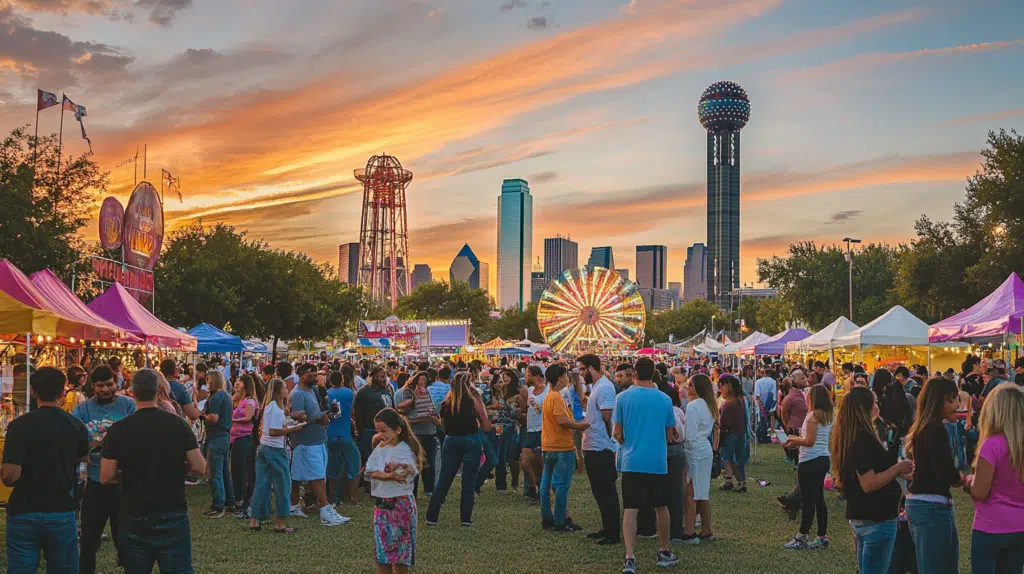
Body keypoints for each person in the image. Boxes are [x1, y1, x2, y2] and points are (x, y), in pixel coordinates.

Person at [100, 369, 206, 573]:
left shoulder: (118, 430)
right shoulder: (178, 425)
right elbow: (199, 467)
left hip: (133, 514)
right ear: (159, 390)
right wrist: (174, 471)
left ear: (132, 392)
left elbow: (106, 476)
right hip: (171, 512)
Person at [2, 367, 88, 573]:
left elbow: (9, 476)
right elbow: (83, 464)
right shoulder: (76, 425)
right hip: (62, 510)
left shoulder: (19, 426)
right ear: (62, 392)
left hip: (24, 510)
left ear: (33, 391)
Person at [831, 386, 913, 572]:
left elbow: (872, 469)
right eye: (875, 402)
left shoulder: (850, 437)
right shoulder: (862, 439)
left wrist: (895, 469)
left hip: (863, 515)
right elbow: (869, 483)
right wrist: (898, 468)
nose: (878, 406)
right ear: (865, 408)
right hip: (876, 517)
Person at [614, 357, 679, 573]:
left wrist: (629, 440)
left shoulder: (623, 398)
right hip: (656, 460)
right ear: (653, 374)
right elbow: (670, 435)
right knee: (661, 507)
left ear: (634, 374)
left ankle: (630, 556)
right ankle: (663, 550)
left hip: (632, 460)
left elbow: (617, 433)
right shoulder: (664, 399)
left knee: (630, 510)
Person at [73, 364, 137, 574]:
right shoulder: (83, 409)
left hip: (123, 481)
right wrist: (87, 449)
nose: (106, 389)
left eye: (109, 384)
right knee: (90, 538)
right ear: (92, 386)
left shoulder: (128, 405)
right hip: (95, 482)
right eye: (100, 386)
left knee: (126, 538)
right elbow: (74, 440)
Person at [905, 377, 964, 573]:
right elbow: (945, 470)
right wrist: (962, 479)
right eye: (953, 399)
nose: (958, 404)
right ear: (940, 400)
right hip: (931, 506)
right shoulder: (934, 428)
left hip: (925, 504)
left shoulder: (925, 427)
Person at [963, 385, 1024, 573]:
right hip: (1020, 527)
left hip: (990, 527)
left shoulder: (992, 445)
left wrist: (967, 481)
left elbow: (980, 492)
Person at [426, 372, 492, 526]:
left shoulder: (446, 402)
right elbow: (485, 424)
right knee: (468, 481)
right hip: (470, 439)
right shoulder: (472, 400)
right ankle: (465, 519)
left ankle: (432, 517)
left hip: (451, 440)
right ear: (469, 384)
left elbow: (443, 425)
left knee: (444, 480)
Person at [289, 363, 349, 526]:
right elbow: (297, 418)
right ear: (301, 376)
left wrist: (327, 414)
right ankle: (325, 509)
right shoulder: (297, 394)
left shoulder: (314, 391)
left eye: (316, 375)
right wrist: (315, 419)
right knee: (316, 476)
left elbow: (318, 412)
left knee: (297, 475)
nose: (315, 378)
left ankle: (293, 506)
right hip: (306, 441)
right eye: (311, 375)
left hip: (318, 438)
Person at [366, 408, 423, 574]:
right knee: (382, 554)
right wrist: (388, 475)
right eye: (378, 431)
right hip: (382, 507)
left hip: (401, 506)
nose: (380, 434)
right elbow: (370, 472)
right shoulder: (379, 449)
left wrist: (402, 470)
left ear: (397, 430)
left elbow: (410, 470)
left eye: (384, 431)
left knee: (400, 555)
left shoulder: (405, 450)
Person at [249, 379, 305, 533]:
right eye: (285, 388)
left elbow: (271, 428)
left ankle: (254, 519)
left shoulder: (270, 406)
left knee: (261, 484)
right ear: (279, 392)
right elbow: (274, 431)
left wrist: (288, 426)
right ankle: (279, 522)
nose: (287, 390)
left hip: (264, 448)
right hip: (275, 449)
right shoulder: (276, 409)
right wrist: (294, 429)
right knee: (282, 485)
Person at [539, 363, 590, 532]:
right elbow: (562, 421)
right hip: (561, 446)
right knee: (561, 484)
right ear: (560, 377)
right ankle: (560, 519)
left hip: (549, 445)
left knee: (547, 482)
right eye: (565, 375)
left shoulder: (549, 396)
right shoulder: (556, 397)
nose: (567, 378)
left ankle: (547, 516)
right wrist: (579, 426)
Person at [783, 384, 834, 550]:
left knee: (808, 499)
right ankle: (821, 535)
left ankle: (802, 536)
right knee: (818, 498)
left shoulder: (812, 415)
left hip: (810, 460)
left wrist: (793, 439)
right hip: (822, 458)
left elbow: (809, 441)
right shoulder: (827, 415)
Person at [579, 354, 621, 545]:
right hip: (594, 444)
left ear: (591, 368)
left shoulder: (604, 387)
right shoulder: (597, 386)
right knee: (599, 490)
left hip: (601, 446)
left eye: (582, 369)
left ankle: (612, 532)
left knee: (606, 490)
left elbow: (607, 415)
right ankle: (607, 527)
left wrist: (609, 441)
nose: (581, 373)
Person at [680, 373, 718, 545]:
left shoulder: (694, 406)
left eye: (689, 384)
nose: (686, 387)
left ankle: (689, 531)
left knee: (691, 491)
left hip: (695, 449)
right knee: (702, 491)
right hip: (704, 448)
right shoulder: (708, 405)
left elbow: (689, 435)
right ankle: (706, 529)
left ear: (696, 388)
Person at [200, 370, 235, 517]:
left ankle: (218, 505)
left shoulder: (215, 398)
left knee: (215, 473)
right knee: (225, 472)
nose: (207, 383)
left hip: (216, 436)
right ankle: (229, 502)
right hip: (226, 436)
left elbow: (214, 418)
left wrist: (202, 415)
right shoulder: (227, 396)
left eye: (208, 380)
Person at [326, 370, 361, 506]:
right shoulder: (348, 393)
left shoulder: (327, 394)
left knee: (332, 469)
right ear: (342, 379)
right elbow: (353, 409)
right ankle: (353, 498)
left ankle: (334, 499)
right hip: (346, 434)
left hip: (331, 434)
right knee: (355, 467)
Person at [355, 367, 396, 471]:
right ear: (374, 377)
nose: (384, 379)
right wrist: (361, 433)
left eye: (385, 377)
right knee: (371, 462)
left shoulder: (387, 389)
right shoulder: (364, 392)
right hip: (370, 431)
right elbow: (358, 414)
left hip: (388, 432)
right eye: (381, 377)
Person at [229, 374, 259, 518]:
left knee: (242, 470)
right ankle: (239, 500)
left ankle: (244, 502)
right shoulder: (239, 400)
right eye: (235, 382)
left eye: (239, 383)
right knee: (236, 469)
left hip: (244, 439)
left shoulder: (250, 401)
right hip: (236, 438)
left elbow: (248, 418)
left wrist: (232, 419)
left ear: (246, 385)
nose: (236, 384)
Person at [519, 365, 548, 500]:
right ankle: (533, 486)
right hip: (530, 430)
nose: (526, 377)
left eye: (528, 375)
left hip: (543, 430)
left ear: (536, 376)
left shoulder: (548, 391)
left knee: (539, 465)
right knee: (524, 462)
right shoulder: (530, 390)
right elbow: (527, 408)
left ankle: (541, 491)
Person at [718, 375, 750, 493]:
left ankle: (732, 480)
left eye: (722, 385)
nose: (720, 388)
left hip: (730, 435)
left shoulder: (730, 404)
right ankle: (738, 481)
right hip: (740, 434)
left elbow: (724, 423)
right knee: (737, 459)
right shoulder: (740, 400)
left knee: (728, 458)